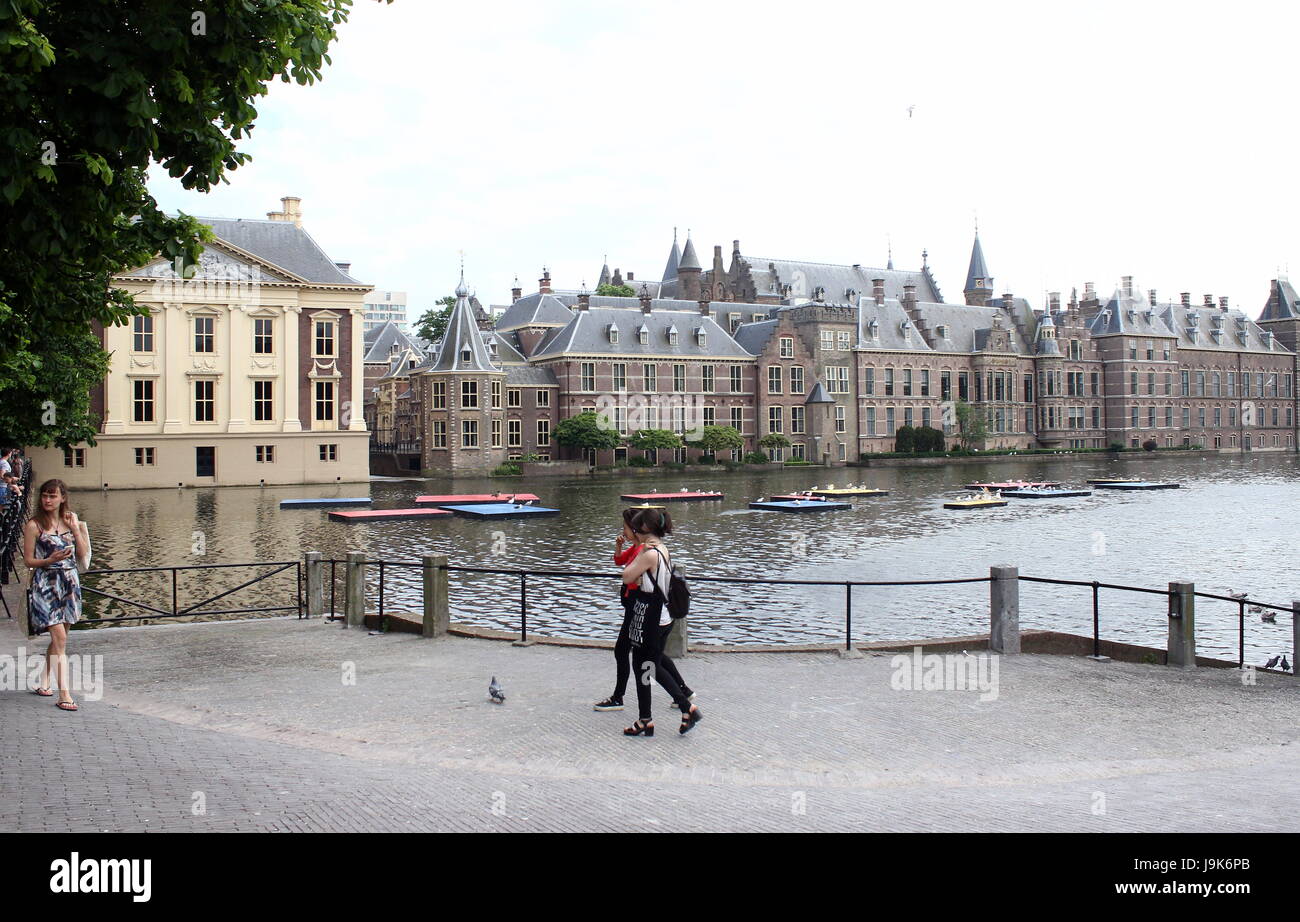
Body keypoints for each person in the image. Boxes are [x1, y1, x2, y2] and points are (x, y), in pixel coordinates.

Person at [618, 507, 702, 737]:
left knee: (648, 667)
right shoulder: (661, 548)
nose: (632, 533)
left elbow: (626, 576)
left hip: (651, 619)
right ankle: (647, 718)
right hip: (660, 617)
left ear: (644, 529)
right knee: (645, 667)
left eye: (634, 528)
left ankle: (686, 707)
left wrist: (638, 556)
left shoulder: (650, 553)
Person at [22, 479, 86, 712]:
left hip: (69, 583)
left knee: (59, 638)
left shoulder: (70, 520)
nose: (47, 500)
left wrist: (76, 530)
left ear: (62, 498)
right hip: (45, 584)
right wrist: (49, 560)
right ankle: (65, 695)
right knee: (60, 638)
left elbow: (83, 554)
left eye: (52, 496)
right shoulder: (34, 525)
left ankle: (44, 682)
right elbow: (28, 560)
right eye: (44, 496)